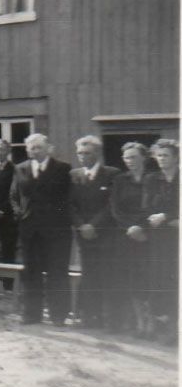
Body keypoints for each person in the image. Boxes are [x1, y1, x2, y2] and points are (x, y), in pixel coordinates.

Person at [10, 133, 72, 326]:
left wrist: (57, 217)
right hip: (30, 230)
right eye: (31, 148)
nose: (35, 151)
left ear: (48, 149)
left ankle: (58, 315)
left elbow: (68, 199)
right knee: (31, 272)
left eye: (39, 147)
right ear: (27, 150)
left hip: (56, 231)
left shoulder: (62, 169)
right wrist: (20, 213)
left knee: (57, 272)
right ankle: (31, 314)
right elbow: (14, 196)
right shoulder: (20, 169)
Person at [69, 135, 120, 329]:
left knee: (107, 273)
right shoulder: (74, 175)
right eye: (80, 153)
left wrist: (94, 225)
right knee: (89, 273)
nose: (83, 157)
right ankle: (90, 316)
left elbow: (111, 204)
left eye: (87, 153)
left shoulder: (112, 174)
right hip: (83, 234)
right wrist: (82, 225)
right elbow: (69, 205)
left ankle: (109, 318)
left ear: (97, 153)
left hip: (105, 233)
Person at [110, 142, 152, 336]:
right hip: (125, 236)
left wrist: (142, 228)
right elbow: (115, 209)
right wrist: (131, 227)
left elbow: (153, 207)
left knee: (146, 277)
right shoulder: (119, 180)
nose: (130, 162)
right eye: (126, 158)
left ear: (144, 157)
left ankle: (150, 323)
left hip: (148, 236)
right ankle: (135, 322)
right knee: (128, 278)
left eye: (134, 157)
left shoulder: (152, 178)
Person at [143, 138, 179, 344]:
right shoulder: (152, 179)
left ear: (176, 157)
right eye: (159, 155)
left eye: (166, 155)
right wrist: (170, 218)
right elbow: (148, 206)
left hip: (177, 236)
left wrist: (165, 216)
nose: (162, 159)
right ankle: (166, 326)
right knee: (161, 278)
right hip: (160, 237)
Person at [0, 139, 18, 288]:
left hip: (8, 216)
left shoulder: (15, 169)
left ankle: (8, 284)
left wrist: (2, 209)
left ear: (8, 152)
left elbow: (14, 193)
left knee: (8, 248)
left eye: (2, 149)